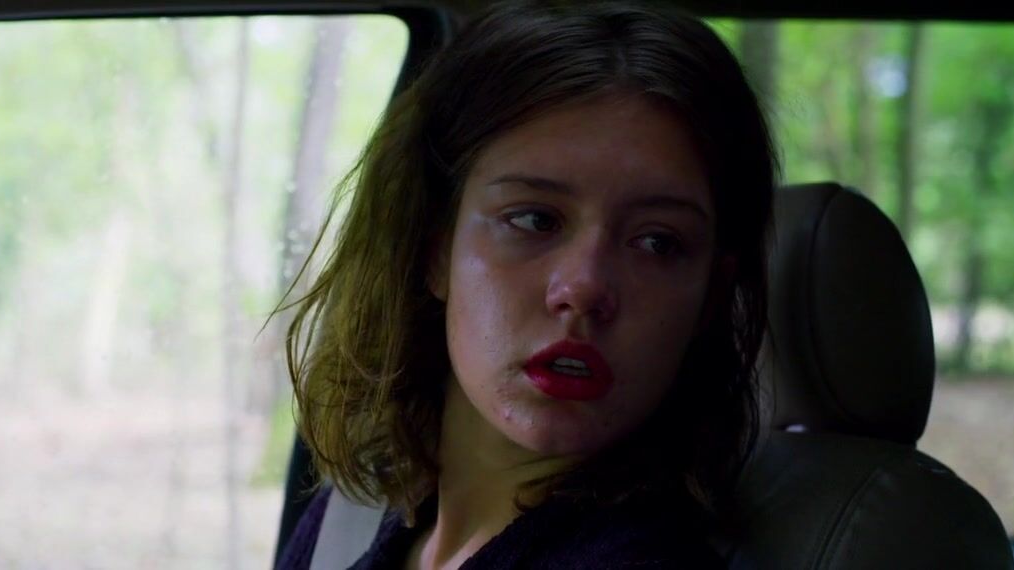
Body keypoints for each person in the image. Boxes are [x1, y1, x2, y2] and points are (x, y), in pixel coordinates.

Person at [274, 1, 775, 568]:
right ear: (434, 249)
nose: (584, 287)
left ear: (710, 297)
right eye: (535, 220)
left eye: (658, 242)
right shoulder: (355, 513)